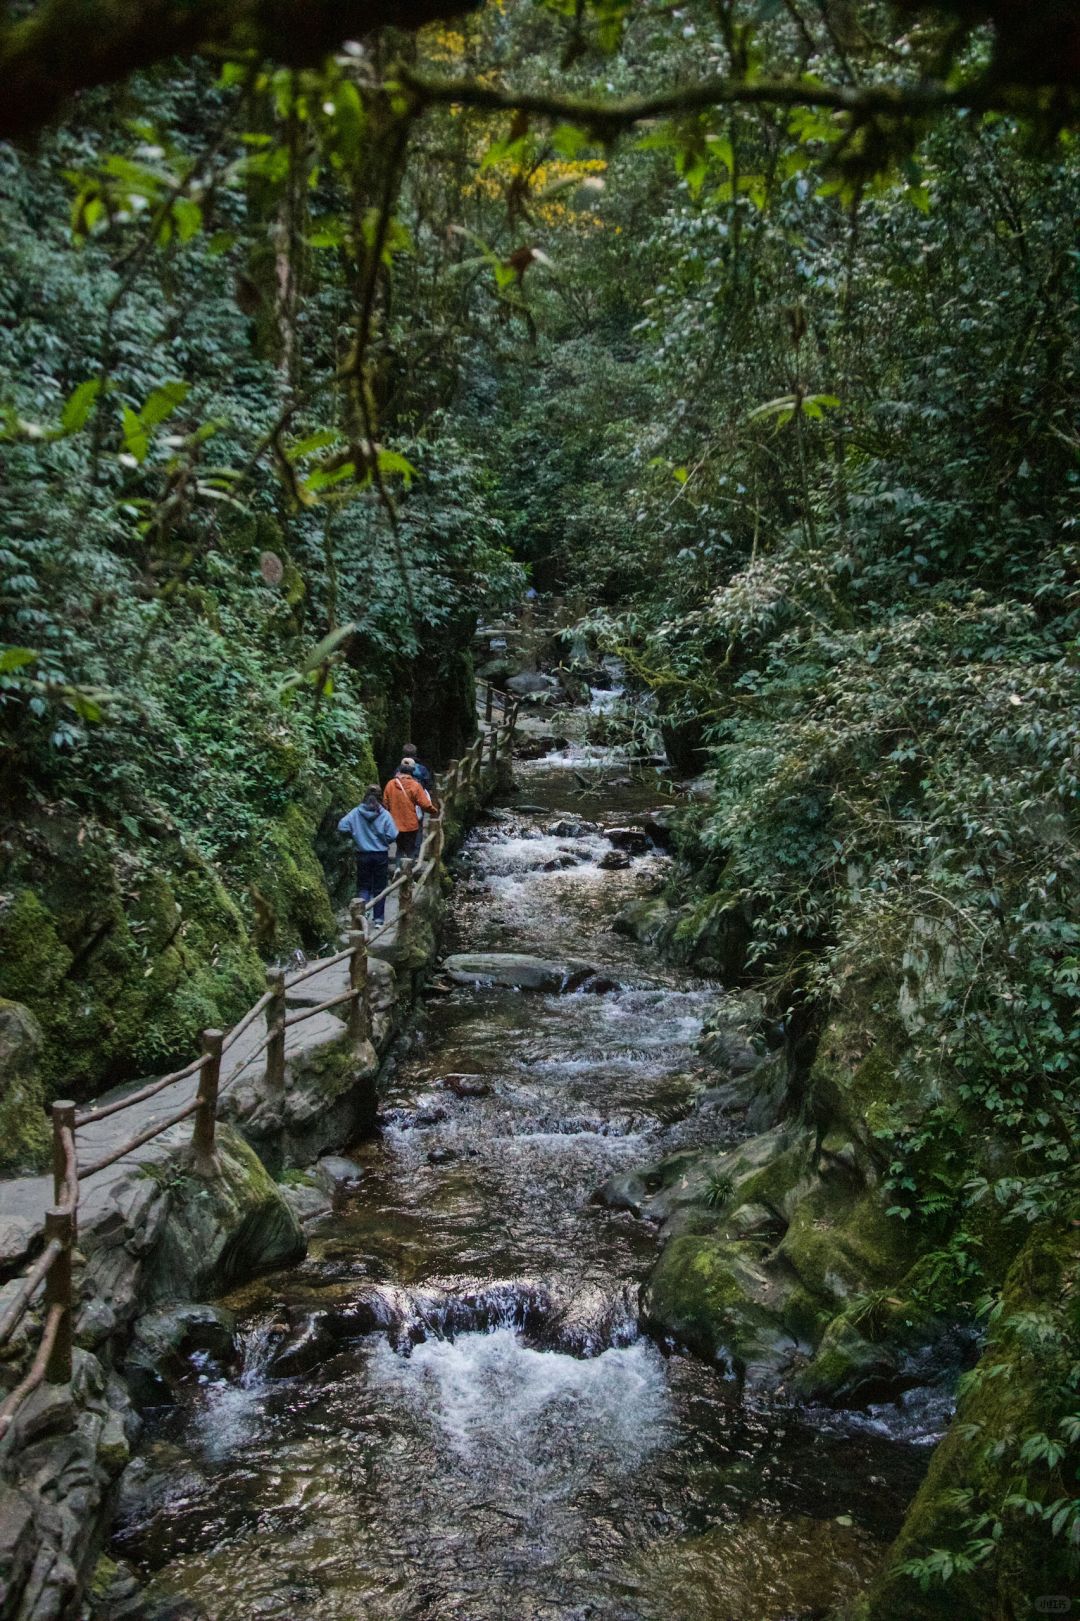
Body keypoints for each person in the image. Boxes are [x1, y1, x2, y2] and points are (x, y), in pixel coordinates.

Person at [338, 787, 397, 924]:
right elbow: (393, 834)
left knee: (364, 886)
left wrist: (354, 835)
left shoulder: (356, 813)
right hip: (380, 855)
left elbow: (342, 826)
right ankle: (378, 920)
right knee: (379, 887)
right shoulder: (384, 814)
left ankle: (363, 915)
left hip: (362, 854)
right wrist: (384, 840)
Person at [383, 758, 434, 863]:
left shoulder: (390, 784)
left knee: (399, 848)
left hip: (395, 823)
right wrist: (434, 811)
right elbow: (425, 804)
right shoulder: (415, 785)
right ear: (412, 771)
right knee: (410, 849)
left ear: (399, 770)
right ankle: (409, 873)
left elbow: (385, 804)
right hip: (411, 824)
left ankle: (398, 870)